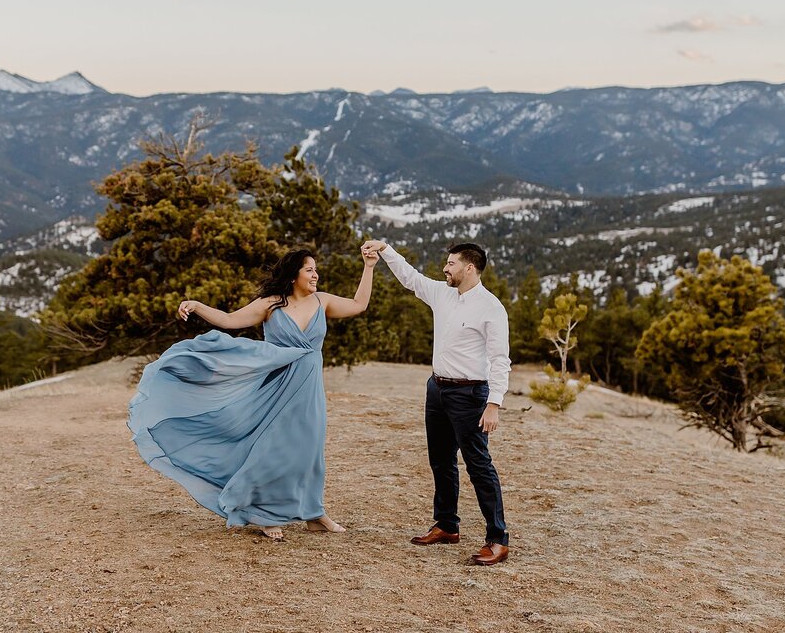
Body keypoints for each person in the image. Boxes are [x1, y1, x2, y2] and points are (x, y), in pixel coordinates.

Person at [128, 247, 379, 541]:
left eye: (315, 270)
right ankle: (263, 513)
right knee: (271, 448)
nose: (316, 274)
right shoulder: (271, 304)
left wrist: (369, 266)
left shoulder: (322, 301)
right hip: (276, 387)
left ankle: (314, 513)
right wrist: (196, 305)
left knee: (310, 450)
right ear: (294, 274)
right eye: (309, 269)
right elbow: (229, 321)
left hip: (309, 389)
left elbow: (359, 304)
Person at [361, 239, 512, 566]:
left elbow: (500, 360)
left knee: (478, 465)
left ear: (469, 268)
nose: (445, 268)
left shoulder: (490, 307)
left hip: (470, 395)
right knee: (441, 461)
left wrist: (494, 403)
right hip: (437, 390)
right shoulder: (442, 293)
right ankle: (446, 525)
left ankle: (498, 539)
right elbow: (410, 277)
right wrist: (386, 250)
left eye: (451, 264)